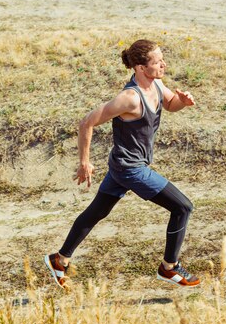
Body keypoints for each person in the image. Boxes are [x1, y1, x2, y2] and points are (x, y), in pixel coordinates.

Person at [44, 39, 200, 288]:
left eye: (162, 59)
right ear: (139, 67)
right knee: (183, 207)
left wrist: (183, 101)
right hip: (130, 169)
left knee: (97, 212)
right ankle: (169, 268)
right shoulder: (130, 98)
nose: (163, 64)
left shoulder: (157, 84)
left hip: (122, 165)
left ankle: (59, 260)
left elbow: (170, 104)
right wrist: (84, 162)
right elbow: (87, 123)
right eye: (157, 61)